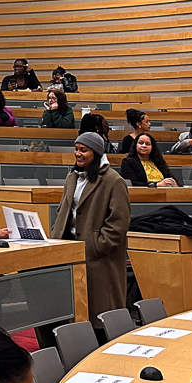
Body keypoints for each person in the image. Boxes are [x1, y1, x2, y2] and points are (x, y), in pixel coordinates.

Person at [51, 133, 131, 334]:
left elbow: (119, 222)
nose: (78, 154)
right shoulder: (72, 177)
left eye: (83, 150)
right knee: (76, 312)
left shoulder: (113, 180)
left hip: (98, 257)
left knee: (101, 316)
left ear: (96, 153)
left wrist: (99, 245)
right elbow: (63, 210)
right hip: (69, 250)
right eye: (76, 149)